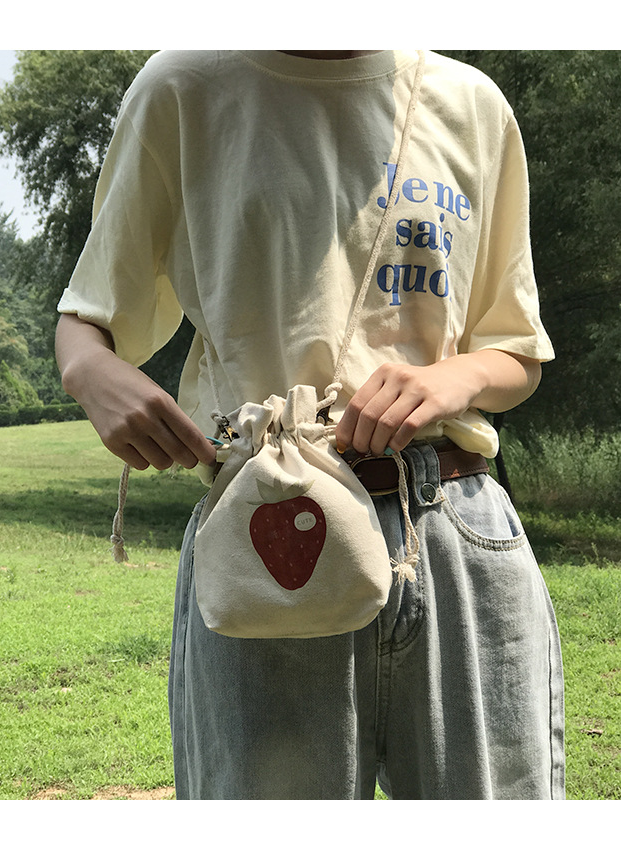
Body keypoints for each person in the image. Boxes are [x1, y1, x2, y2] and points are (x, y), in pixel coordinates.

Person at [55, 50, 565, 800]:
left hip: (457, 531)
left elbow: (516, 350)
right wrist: (88, 371)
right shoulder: (183, 90)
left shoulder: (473, 104)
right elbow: (87, 315)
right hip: (263, 527)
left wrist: (450, 379)